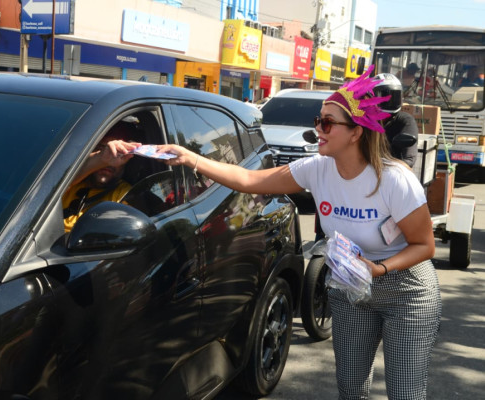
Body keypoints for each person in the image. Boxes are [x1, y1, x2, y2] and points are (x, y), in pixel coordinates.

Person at [156, 65, 441, 400]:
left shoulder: (394, 179)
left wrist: (378, 268)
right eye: (318, 120)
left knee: (405, 393)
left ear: (356, 132)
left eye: (328, 123)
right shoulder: (316, 169)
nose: (318, 129)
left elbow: (425, 246)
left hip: (406, 291)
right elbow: (248, 180)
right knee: (351, 389)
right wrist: (189, 158)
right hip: (351, 285)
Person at [62, 121, 141, 232]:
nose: (110, 160)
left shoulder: (125, 194)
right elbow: (51, 189)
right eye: (102, 148)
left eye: (119, 153)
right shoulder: (69, 180)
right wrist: (99, 160)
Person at [374, 73, 419, 168]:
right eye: (384, 97)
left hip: (390, 171)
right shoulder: (364, 120)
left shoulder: (405, 120)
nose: (390, 101)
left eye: (394, 96)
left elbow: (409, 159)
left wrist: (388, 168)